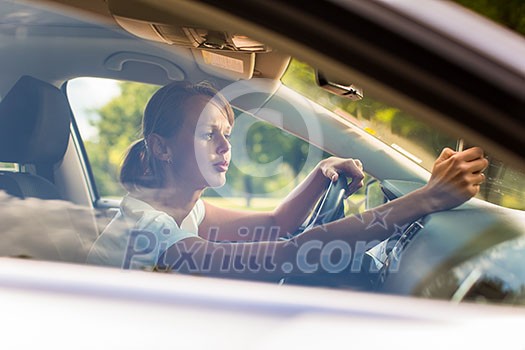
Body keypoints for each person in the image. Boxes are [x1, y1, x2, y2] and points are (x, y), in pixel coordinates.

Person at [86, 81, 488, 282]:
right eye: (209, 134)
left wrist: (319, 175)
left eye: (227, 133)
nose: (226, 146)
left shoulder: (181, 211)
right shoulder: (149, 231)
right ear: (162, 148)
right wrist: (426, 198)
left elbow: (275, 226)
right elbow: (288, 253)